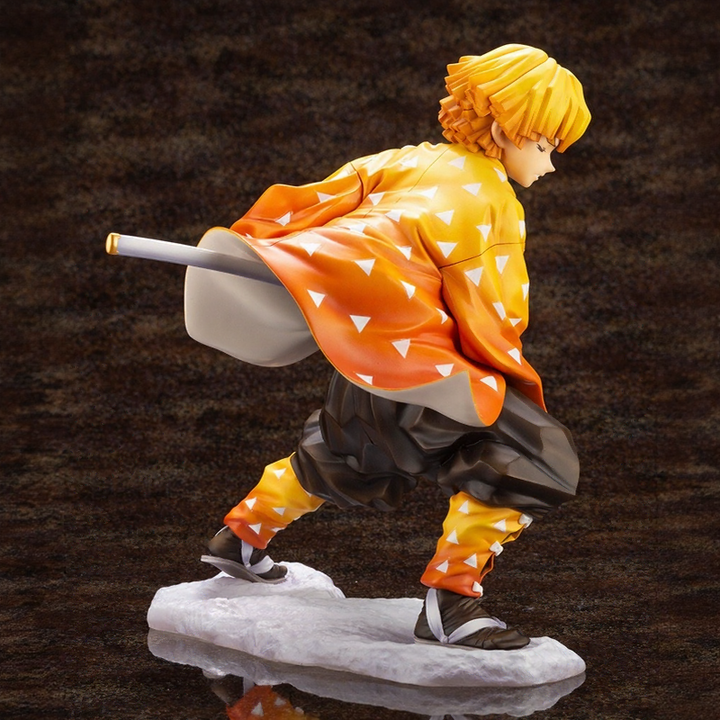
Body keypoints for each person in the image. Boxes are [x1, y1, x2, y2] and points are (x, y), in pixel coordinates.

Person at [184, 44, 591, 650]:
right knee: (536, 456)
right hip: (427, 370)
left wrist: (266, 256)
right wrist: (509, 375)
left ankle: (240, 538)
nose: (550, 164)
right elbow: (493, 308)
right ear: (508, 130)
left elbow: (310, 204)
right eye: (546, 146)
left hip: (361, 359)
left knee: (344, 452)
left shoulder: (401, 160)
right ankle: (451, 602)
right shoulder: (492, 200)